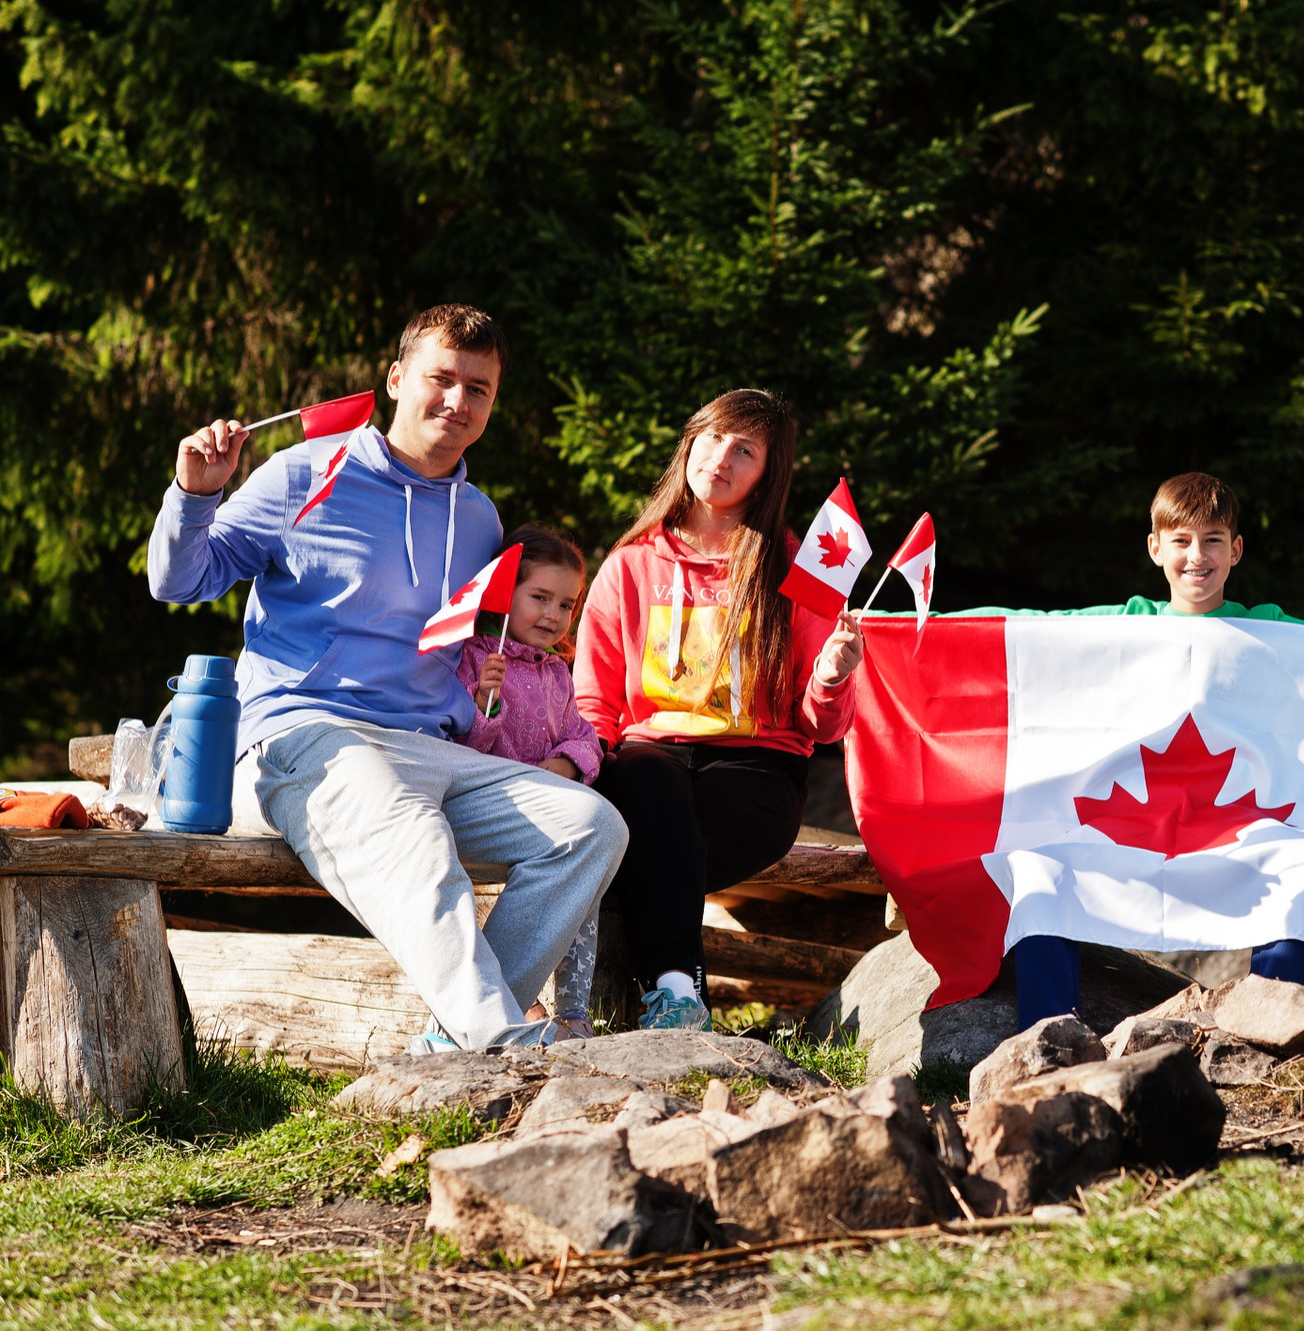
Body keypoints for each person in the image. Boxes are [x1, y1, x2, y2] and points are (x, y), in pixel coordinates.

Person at [147, 304, 629, 1052]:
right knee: (408, 825)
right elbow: (180, 582)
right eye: (441, 378)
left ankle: (451, 1042)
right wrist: (195, 495)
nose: (458, 401)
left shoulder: (479, 519)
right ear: (397, 379)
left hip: (435, 747)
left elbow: (476, 647)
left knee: (590, 826)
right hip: (304, 735)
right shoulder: (303, 473)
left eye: (479, 389)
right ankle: (497, 1040)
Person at [960, 472, 1304, 1027]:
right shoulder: (1128, 623)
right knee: (1039, 863)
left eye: (1213, 540)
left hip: (1237, 829)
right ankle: (1050, 1036)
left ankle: (1269, 1025)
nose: (1196, 556)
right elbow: (1026, 631)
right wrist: (912, 625)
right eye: (1180, 541)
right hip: (1119, 828)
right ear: (1156, 548)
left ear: (1237, 550)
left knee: (1298, 860)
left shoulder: (1271, 629)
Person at [574, 388, 865, 1032]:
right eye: (711, 438)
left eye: (745, 450)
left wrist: (833, 675)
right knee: (650, 792)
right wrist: (581, 782)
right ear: (689, 443)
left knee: (658, 848)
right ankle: (678, 994)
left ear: (769, 470)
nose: (720, 459)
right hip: (649, 758)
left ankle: (634, 1000)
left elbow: (824, 727)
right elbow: (593, 701)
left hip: (759, 766)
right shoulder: (630, 566)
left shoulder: (795, 571)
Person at [453, 524, 604, 1039]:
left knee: (585, 881)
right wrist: (482, 708)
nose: (552, 615)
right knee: (468, 903)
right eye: (539, 597)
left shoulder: (557, 672)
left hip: (551, 812)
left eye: (566, 605)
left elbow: (585, 736)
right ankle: (520, 1002)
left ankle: (575, 1012)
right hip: (493, 812)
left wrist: (564, 766)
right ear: (505, 593)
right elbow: (460, 753)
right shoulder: (474, 658)